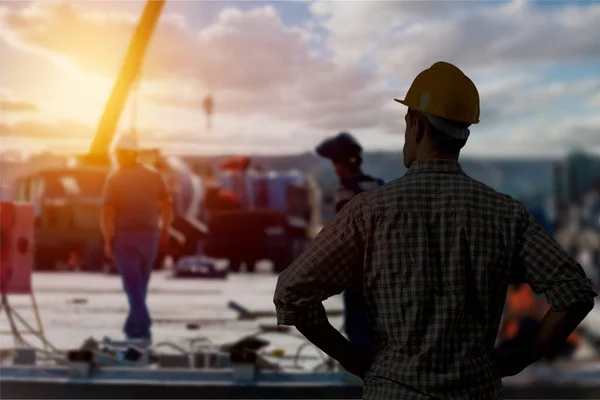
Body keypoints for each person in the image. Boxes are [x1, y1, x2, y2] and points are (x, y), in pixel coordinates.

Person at [273, 61, 597, 399]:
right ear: (463, 135)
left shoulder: (368, 211)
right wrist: (523, 355)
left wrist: (352, 358)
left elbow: (292, 294)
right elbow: (574, 294)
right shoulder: (505, 213)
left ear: (415, 125)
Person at [315, 132, 384, 352]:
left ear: (341, 164)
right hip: (383, 271)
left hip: (358, 274)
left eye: (335, 163)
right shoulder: (378, 184)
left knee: (359, 332)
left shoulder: (345, 192)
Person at [101, 134, 173, 342]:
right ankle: (132, 327)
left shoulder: (114, 179)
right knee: (140, 285)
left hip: (125, 238)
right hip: (149, 238)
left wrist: (107, 240)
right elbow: (168, 202)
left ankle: (143, 325)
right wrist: (165, 229)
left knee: (132, 285)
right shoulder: (153, 175)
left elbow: (107, 212)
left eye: (118, 153)